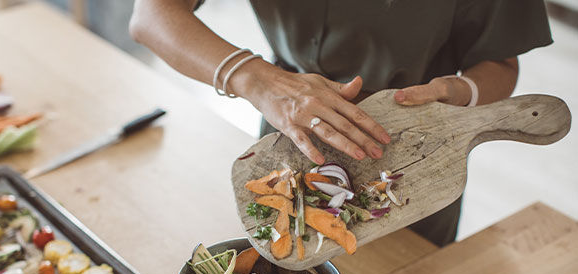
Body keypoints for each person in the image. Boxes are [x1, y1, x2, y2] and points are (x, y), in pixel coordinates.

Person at [129, 0, 552, 246]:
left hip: (418, 152)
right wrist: (259, 81)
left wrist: (458, 94)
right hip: (291, 133)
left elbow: (499, 60)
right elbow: (152, 14)